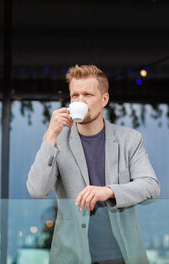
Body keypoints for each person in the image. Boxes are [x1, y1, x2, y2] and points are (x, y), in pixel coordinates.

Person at [27, 64, 160, 264]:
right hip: (72, 256)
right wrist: (50, 135)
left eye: (88, 95)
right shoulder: (57, 141)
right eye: (75, 96)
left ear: (104, 99)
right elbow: (37, 190)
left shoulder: (130, 139)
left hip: (122, 256)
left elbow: (151, 187)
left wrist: (109, 191)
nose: (80, 101)